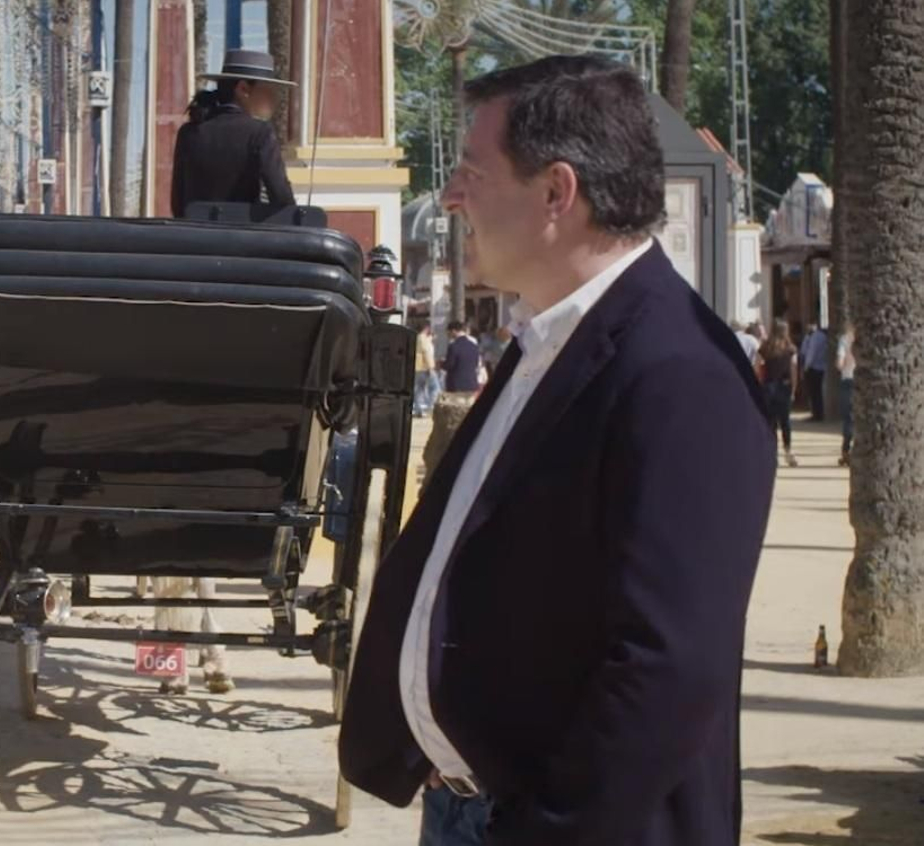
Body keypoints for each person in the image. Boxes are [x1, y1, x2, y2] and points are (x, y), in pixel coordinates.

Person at [339, 56, 775, 846]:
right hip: (472, 807)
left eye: (473, 171)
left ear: (555, 193)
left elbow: (667, 668)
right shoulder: (550, 341)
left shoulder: (681, 375)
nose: (451, 196)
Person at [169, 50, 296, 219]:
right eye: (268, 90)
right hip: (243, 240)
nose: (274, 98)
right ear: (243, 89)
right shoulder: (259, 133)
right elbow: (281, 197)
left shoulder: (188, 133)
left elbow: (178, 204)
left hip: (195, 240)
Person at [757, 318, 799, 467]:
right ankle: (788, 452)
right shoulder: (791, 349)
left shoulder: (765, 348)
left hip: (768, 387)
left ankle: (771, 452)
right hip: (784, 387)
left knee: (771, 421)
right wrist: (794, 388)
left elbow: (758, 368)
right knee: (785, 421)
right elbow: (794, 370)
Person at [440, 320, 481, 393]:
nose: (448, 335)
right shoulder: (474, 346)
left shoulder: (453, 346)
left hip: (456, 384)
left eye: (448, 333)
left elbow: (449, 365)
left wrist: (441, 364)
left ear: (453, 331)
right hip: (472, 383)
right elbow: (476, 363)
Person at [799, 324, 828, 421]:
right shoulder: (812, 336)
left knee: (814, 393)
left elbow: (811, 353)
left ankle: (817, 414)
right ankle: (816, 413)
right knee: (815, 393)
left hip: (814, 368)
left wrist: (806, 367)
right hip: (818, 367)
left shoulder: (816, 337)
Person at [837, 324, 856, 466]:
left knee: (848, 417)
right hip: (865, 380)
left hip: (848, 379)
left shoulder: (844, 340)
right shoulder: (868, 336)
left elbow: (839, 363)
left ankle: (846, 451)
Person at [413, 322, 439, 417]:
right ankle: (430, 407)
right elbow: (427, 353)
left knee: (419, 390)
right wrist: (431, 367)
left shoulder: (417, 338)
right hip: (425, 367)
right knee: (435, 388)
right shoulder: (423, 339)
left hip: (418, 366)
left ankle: (419, 409)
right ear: (427, 328)